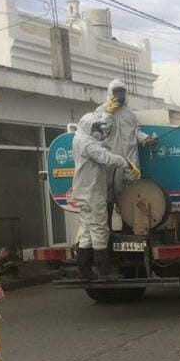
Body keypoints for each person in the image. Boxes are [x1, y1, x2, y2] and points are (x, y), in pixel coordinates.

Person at [72, 112, 140, 280]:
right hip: (91, 192)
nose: (98, 131)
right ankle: (104, 270)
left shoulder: (80, 139)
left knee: (88, 230)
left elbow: (101, 149)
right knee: (99, 228)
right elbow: (105, 157)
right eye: (96, 127)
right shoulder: (86, 143)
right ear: (89, 127)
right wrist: (124, 162)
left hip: (84, 191)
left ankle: (84, 269)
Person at [94, 78, 157, 223]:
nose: (120, 95)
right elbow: (101, 132)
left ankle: (130, 227)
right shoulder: (100, 111)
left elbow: (134, 132)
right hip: (110, 161)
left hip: (130, 162)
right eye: (116, 92)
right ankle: (107, 229)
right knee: (108, 196)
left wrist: (145, 139)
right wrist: (108, 113)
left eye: (122, 92)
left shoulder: (129, 113)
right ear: (110, 93)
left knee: (131, 195)